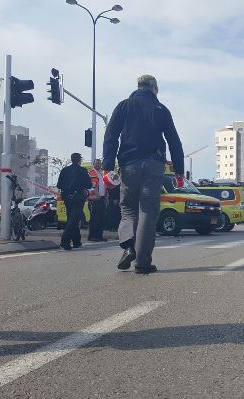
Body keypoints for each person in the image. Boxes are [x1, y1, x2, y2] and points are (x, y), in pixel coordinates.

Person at [103, 74, 185, 274]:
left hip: (129, 164)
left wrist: (107, 166)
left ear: (138, 87)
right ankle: (143, 262)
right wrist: (179, 170)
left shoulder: (123, 106)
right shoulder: (161, 109)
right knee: (148, 210)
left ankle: (129, 246)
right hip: (154, 165)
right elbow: (174, 140)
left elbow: (111, 135)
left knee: (128, 208)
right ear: (154, 89)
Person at [56, 153, 91, 250]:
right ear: (79, 160)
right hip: (78, 197)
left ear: (71, 159)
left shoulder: (64, 170)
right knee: (73, 220)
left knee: (72, 218)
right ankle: (65, 241)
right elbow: (89, 184)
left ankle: (76, 241)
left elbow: (59, 185)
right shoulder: (83, 171)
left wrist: (67, 189)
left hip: (67, 197)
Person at [87, 159, 108, 242]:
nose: (98, 165)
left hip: (102, 198)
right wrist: (94, 195)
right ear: (93, 164)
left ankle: (99, 235)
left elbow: (103, 186)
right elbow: (89, 186)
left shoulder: (101, 173)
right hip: (94, 199)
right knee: (94, 218)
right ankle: (92, 236)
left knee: (101, 218)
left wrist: (106, 196)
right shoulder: (91, 173)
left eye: (99, 163)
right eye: (96, 163)